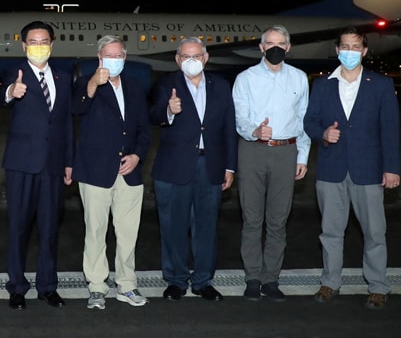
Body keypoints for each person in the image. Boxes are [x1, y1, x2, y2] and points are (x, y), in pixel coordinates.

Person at [303, 27, 401, 310]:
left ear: (365, 51)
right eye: (344, 46)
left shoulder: (381, 84)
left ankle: (378, 286)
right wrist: (323, 134)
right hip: (331, 171)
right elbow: (309, 122)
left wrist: (391, 168)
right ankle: (330, 282)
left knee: (374, 232)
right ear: (337, 50)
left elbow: (389, 130)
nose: (349, 52)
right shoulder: (322, 85)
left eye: (355, 47)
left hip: (368, 170)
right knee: (331, 231)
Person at [149, 37, 237, 302]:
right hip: (174, 166)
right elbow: (152, 114)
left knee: (206, 226)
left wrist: (230, 167)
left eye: (196, 56)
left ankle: (202, 281)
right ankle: (175, 280)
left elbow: (228, 129)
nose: (191, 61)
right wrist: (168, 110)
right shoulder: (166, 84)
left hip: (210, 164)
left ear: (205, 58)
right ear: (177, 60)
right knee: (173, 226)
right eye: (185, 57)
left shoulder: (221, 86)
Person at [0, 20, 74, 310]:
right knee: (18, 228)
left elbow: (65, 122)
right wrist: (8, 93)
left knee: (49, 228)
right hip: (21, 163)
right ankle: (16, 287)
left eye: (44, 41)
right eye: (33, 42)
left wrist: (69, 161)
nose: (39, 46)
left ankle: (47, 286)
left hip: (53, 165)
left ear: (51, 44)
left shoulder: (64, 77)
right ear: (24, 45)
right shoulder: (16, 73)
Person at [71, 36, 152, 310]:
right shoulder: (86, 83)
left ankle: (127, 286)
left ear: (125, 58)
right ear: (99, 57)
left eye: (118, 55)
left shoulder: (135, 88)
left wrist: (137, 155)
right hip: (95, 172)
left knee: (128, 233)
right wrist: (94, 82)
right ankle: (96, 287)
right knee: (95, 231)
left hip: (129, 172)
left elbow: (144, 129)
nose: (114, 59)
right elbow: (77, 107)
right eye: (109, 55)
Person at [232, 24, 310, 302]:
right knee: (252, 219)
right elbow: (240, 117)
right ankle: (253, 278)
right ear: (261, 47)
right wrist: (254, 130)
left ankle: (271, 279)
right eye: (270, 43)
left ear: (288, 47)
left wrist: (302, 156)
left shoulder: (300, 78)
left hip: (285, 152)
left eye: (281, 43)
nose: (275, 48)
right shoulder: (246, 78)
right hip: (253, 150)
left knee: (278, 221)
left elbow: (303, 120)